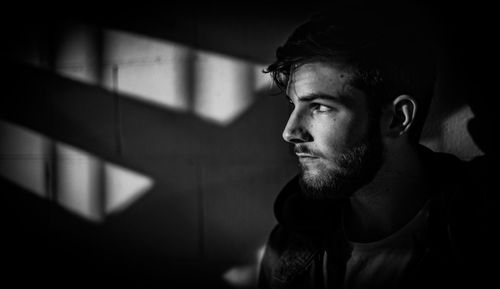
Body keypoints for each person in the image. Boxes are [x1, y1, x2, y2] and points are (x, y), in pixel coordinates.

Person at [258, 2, 494, 289]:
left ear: (396, 118)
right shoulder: (286, 248)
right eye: (294, 105)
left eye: (319, 106)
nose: (290, 132)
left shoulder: (478, 235)